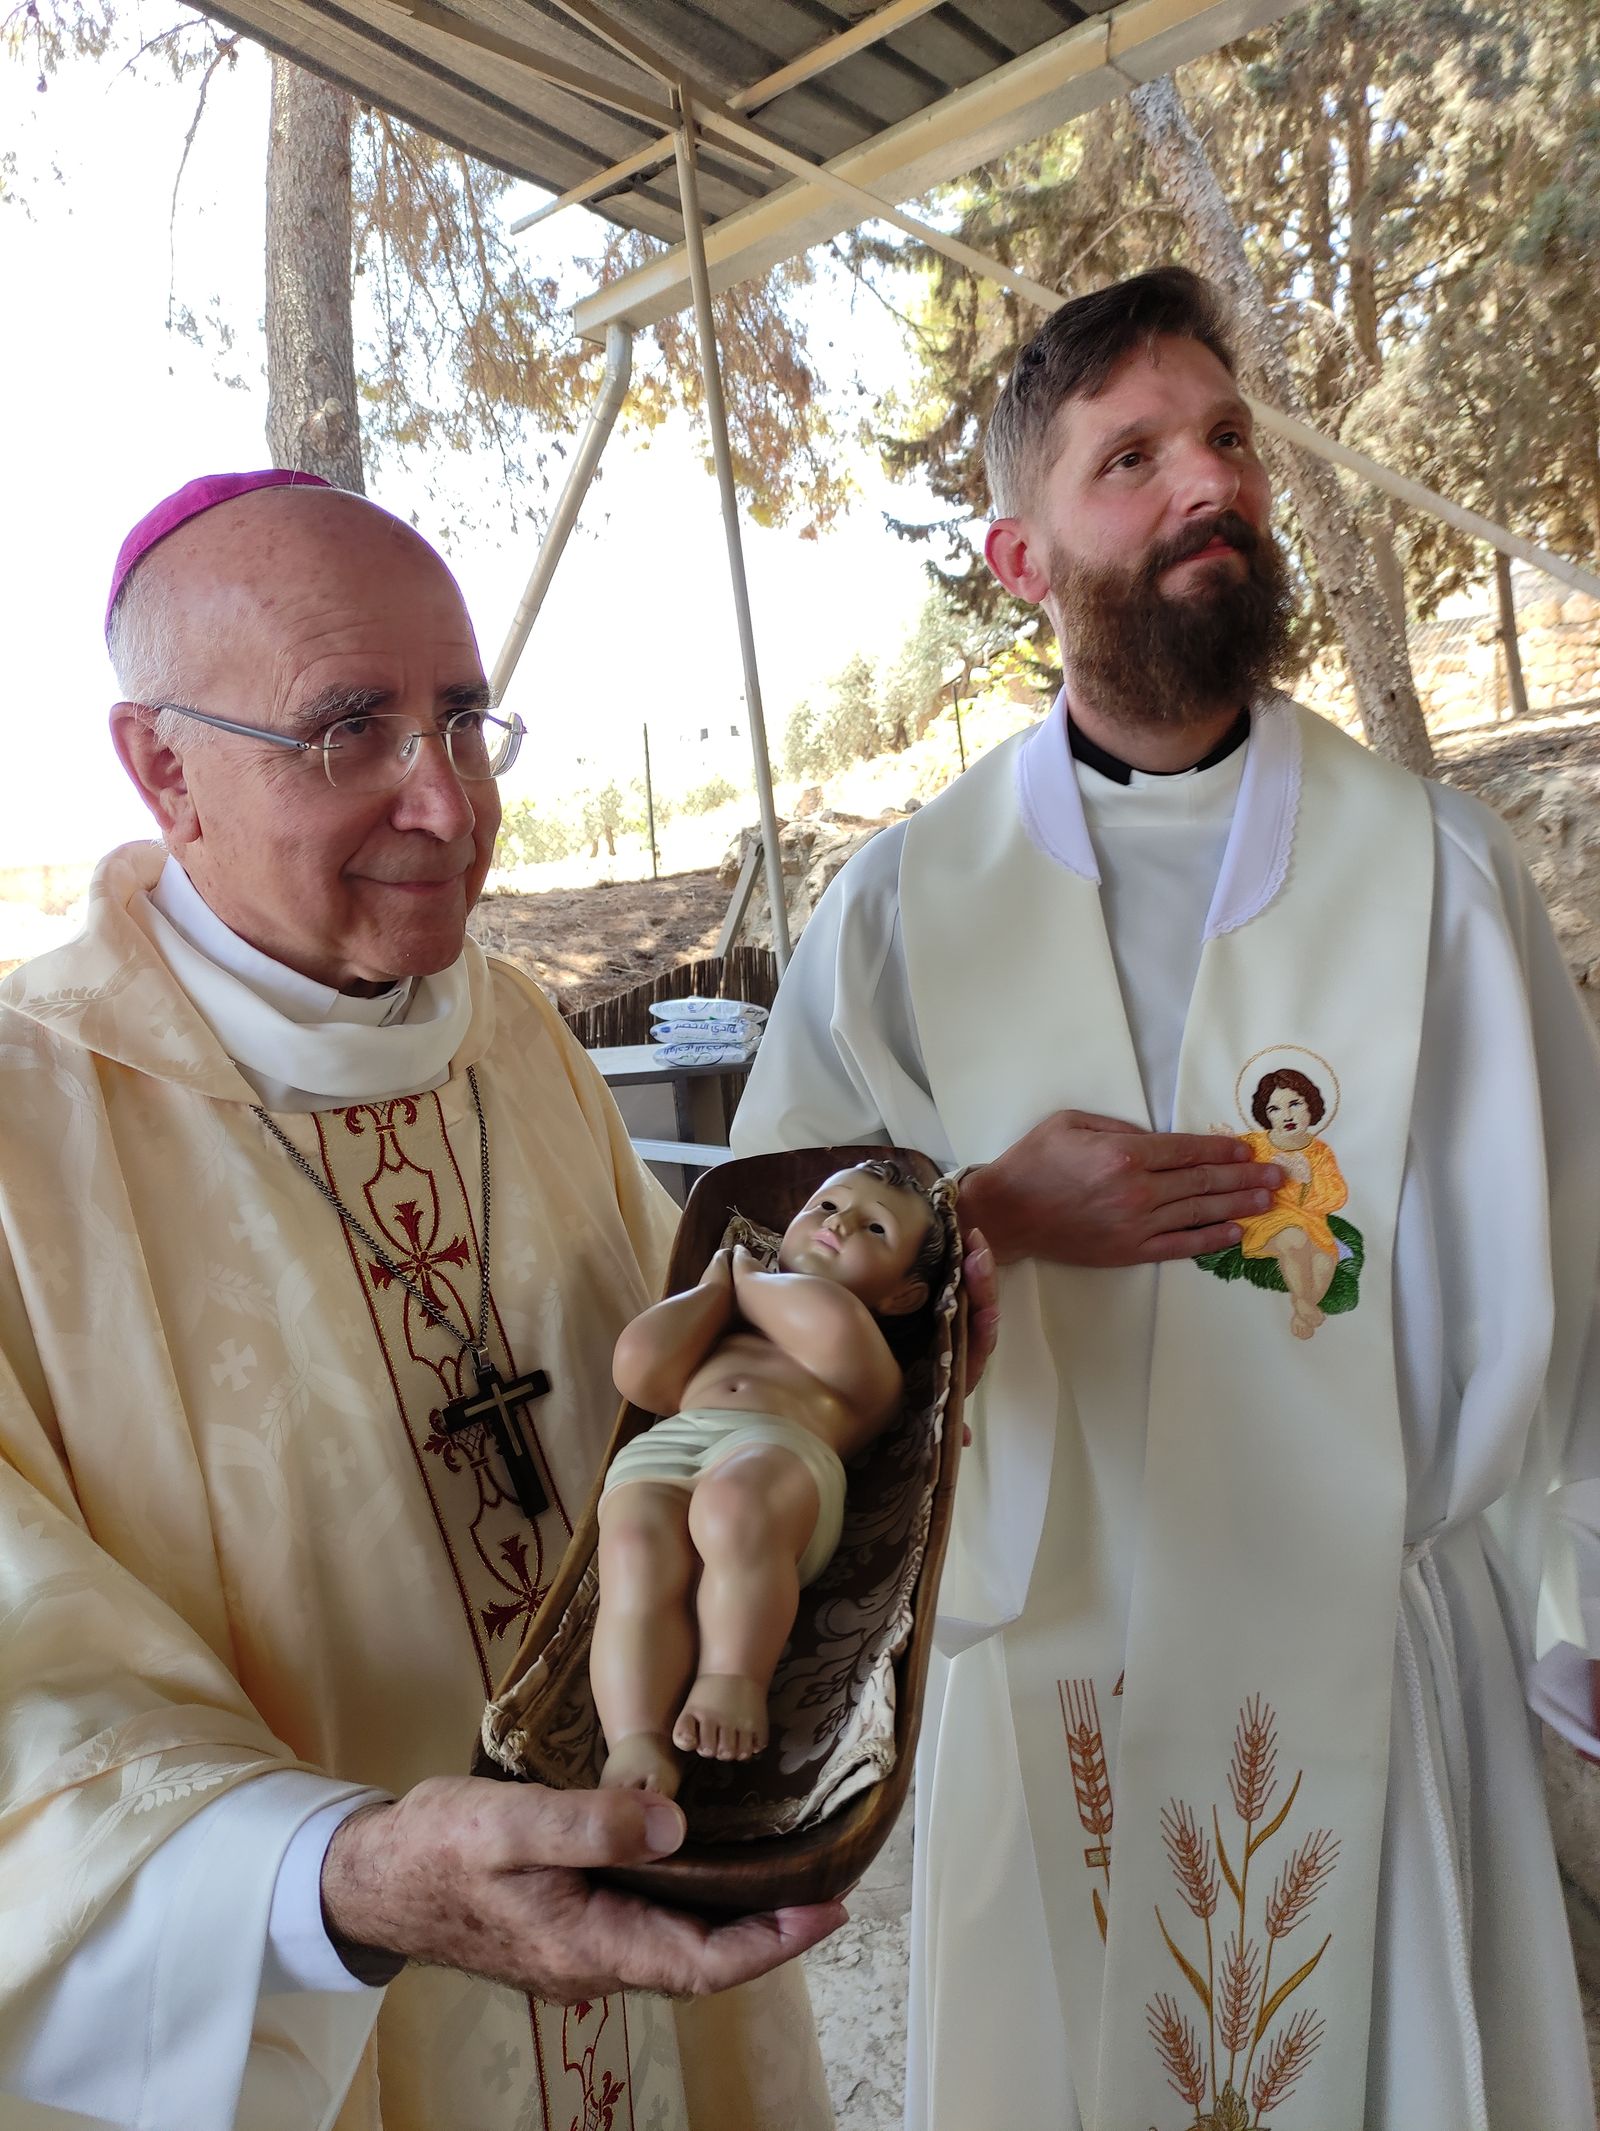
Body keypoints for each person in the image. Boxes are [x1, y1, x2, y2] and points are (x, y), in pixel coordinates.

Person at [731, 268, 1600, 2130]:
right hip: (1054, 1655)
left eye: (1226, 439)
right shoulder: (902, 909)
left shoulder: (1438, 875)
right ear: (1022, 557)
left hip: (1369, 1635)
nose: (1207, 480)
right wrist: (974, 1213)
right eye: (1130, 457)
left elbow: (1582, 1248)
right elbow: (767, 1298)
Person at [0, 471, 842, 2131]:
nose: (448, 804)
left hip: (646, 1944)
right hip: (317, 2032)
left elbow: (691, 1385)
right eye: (348, 731)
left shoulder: (515, 1036)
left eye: (463, 722)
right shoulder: (30, 1135)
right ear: (161, 767)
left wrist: (874, 1335)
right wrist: (348, 1875)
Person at [592, 1160, 941, 1794]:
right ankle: (636, 1740)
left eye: (874, 1229)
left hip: (781, 1452)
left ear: (903, 1295)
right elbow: (640, 1371)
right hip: (672, 1444)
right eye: (828, 1206)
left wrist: (741, 1273)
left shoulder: (863, 1345)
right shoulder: (727, 1311)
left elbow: (822, 1320)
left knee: (736, 1507)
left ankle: (732, 1678)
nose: (839, 1225)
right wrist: (709, 1293)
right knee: (634, 1548)